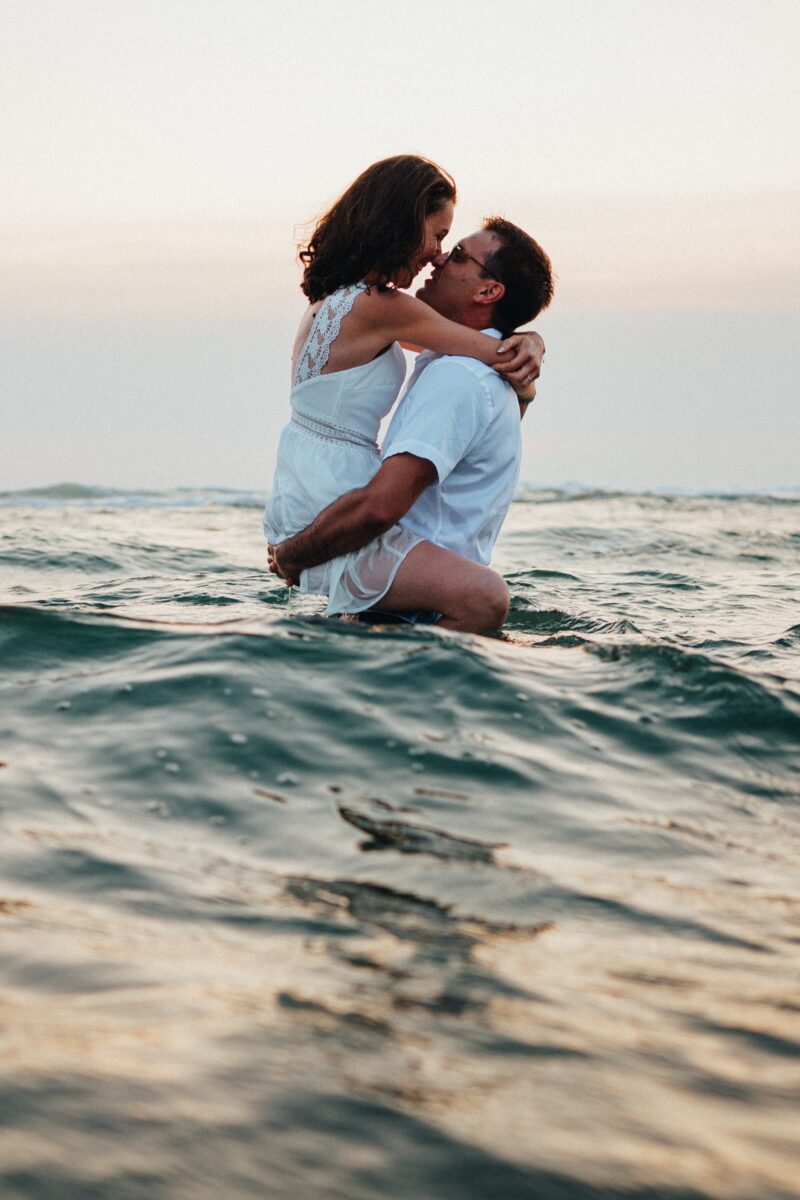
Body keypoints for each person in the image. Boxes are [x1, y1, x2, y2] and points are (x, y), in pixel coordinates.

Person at [263, 155, 545, 620]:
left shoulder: (345, 302)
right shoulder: (386, 308)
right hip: (335, 491)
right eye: (438, 236)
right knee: (482, 596)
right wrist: (531, 343)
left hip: (306, 484)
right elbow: (490, 353)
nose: (437, 253)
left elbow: (457, 351)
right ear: (401, 225)